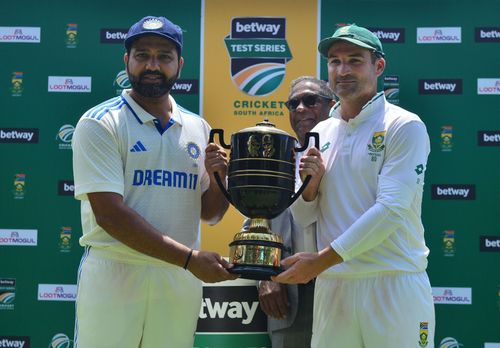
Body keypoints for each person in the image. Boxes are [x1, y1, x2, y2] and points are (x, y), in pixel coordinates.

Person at [71, 16, 237, 348]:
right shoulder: (100, 123)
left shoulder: (197, 127)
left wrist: (219, 179)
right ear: (126, 61)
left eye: (163, 56)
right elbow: (109, 215)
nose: (152, 65)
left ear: (180, 64)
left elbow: (210, 214)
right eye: (142, 54)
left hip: (177, 279)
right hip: (116, 271)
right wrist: (190, 259)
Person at [273, 24, 435, 348]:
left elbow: (390, 210)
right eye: (334, 61)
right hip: (334, 286)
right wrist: (309, 189)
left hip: (392, 282)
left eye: (354, 60)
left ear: (378, 66)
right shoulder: (321, 131)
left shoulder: (403, 125)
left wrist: (320, 261)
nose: (342, 70)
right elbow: (304, 217)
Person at [254, 77, 334, 348]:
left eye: (310, 100)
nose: (300, 108)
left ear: (331, 105)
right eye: (293, 103)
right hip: (288, 293)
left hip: (341, 285)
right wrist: (265, 276)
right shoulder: (275, 156)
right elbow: (256, 221)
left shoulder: (350, 150)